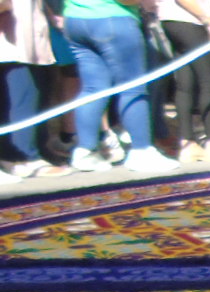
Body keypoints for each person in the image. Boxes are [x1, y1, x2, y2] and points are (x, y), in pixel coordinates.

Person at [60, 0, 175, 171]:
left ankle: (85, 151)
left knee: (93, 88)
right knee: (132, 87)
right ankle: (142, 150)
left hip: (75, 19)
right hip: (112, 18)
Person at [0, 0, 59, 178]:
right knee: (22, 95)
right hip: (11, 39)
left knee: (27, 93)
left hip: (24, 35)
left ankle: (23, 154)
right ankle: (20, 157)